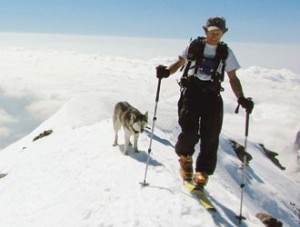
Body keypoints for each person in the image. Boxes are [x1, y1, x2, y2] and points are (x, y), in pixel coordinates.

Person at [156, 16, 254, 188]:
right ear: (205, 30)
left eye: (218, 32)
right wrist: (166, 72)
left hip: (212, 96)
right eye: (211, 31)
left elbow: (232, 78)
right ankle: (185, 159)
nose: (214, 35)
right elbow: (180, 63)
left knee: (211, 135)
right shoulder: (194, 46)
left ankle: (202, 172)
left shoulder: (226, 52)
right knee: (189, 131)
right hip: (191, 94)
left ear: (223, 33)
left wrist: (241, 97)